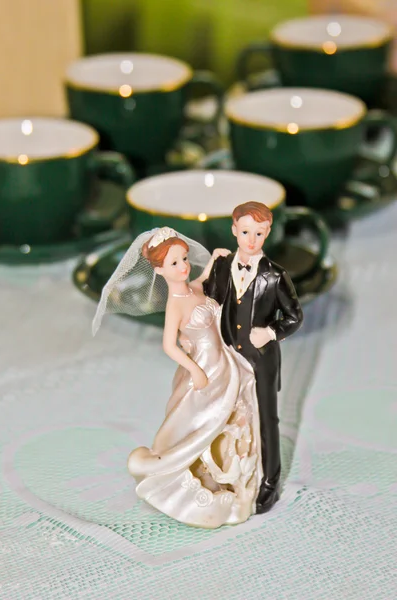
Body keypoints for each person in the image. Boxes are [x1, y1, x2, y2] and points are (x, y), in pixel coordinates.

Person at [92, 227, 264, 528]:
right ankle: (196, 475)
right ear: (159, 270)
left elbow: (201, 282)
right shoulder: (174, 304)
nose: (183, 266)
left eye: (184, 259)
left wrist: (212, 261)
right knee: (202, 421)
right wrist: (195, 369)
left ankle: (229, 473)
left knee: (235, 405)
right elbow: (169, 345)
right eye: (174, 263)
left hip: (221, 359)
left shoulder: (192, 289)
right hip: (204, 368)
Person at [203, 202, 303, 514]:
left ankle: (269, 484)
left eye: (258, 233)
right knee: (226, 415)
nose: (251, 239)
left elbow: (295, 316)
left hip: (260, 360)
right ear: (234, 230)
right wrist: (209, 266)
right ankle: (229, 472)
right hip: (228, 356)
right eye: (245, 231)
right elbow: (207, 298)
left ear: (267, 234)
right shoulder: (222, 266)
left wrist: (271, 332)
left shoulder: (275, 276)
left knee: (266, 420)